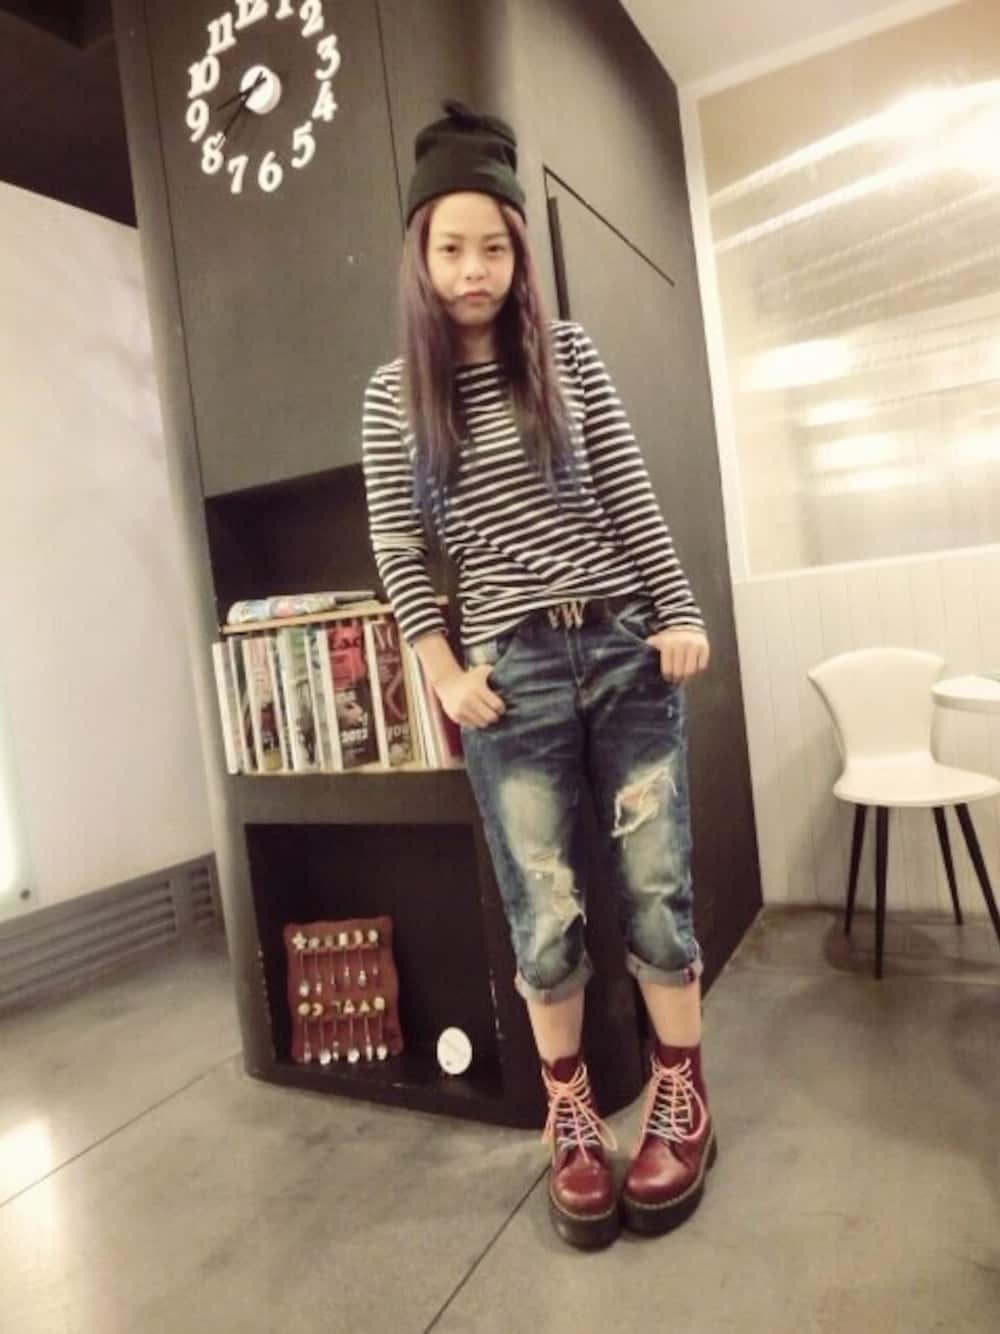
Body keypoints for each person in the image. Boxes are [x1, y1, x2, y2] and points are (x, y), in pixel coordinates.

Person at [361, 100, 715, 1248]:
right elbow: (397, 543)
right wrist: (438, 666)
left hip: (620, 650)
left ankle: (680, 1096)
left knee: (654, 887)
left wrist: (679, 611)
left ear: (519, 254)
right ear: (419, 255)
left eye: (493, 246)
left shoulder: (569, 357)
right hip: (510, 677)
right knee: (546, 912)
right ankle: (571, 1117)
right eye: (450, 246)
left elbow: (629, 491)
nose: (473, 268)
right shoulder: (393, 394)